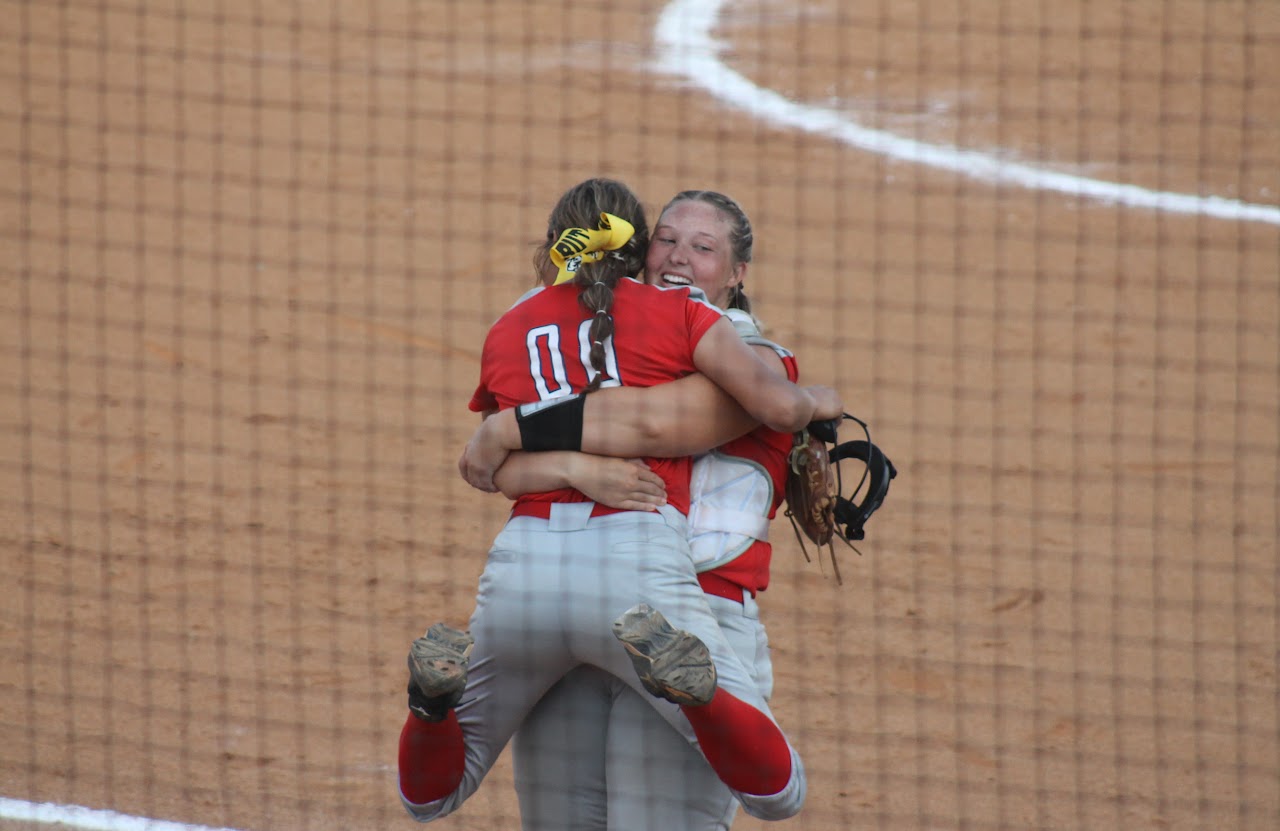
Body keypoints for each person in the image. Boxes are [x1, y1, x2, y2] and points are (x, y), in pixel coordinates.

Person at [396, 178, 843, 823]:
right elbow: (608, 432)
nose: (681, 257)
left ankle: (431, 704)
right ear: (636, 252)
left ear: (737, 273)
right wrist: (568, 463)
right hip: (636, 593)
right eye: (667, 240)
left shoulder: (754, 354)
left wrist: (511, 430)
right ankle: (702, 696)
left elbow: (621, 427)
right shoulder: (661, 328)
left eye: (704, 248)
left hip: (685, 612)